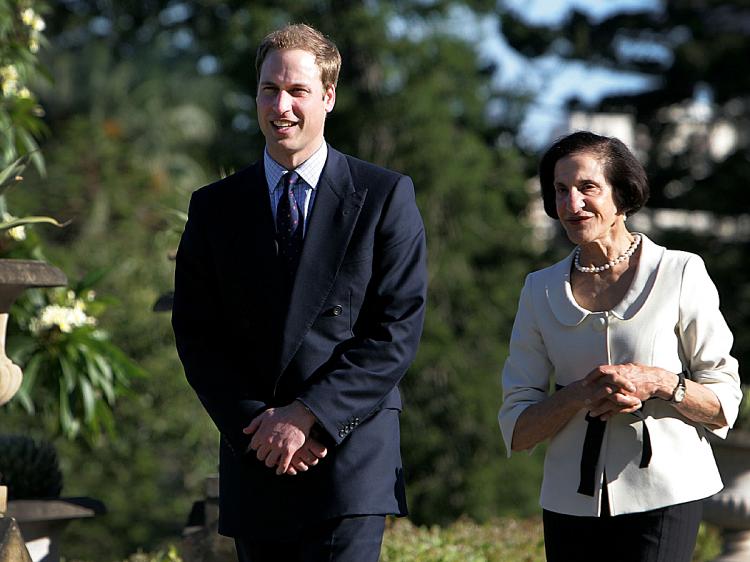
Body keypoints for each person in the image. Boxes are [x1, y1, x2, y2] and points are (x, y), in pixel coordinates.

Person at [171, 23, 427, 562]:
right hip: (256, 454)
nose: (281, 106)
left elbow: (395, 329)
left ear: (328, 97)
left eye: (298, 91)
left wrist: (308, 416)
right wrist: (261, 429)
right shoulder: (214, 206)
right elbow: (198, 334)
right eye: (270, 89)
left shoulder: (384, 195)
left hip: (347, 456)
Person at [498, 131, 741, 562]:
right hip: (569, 501)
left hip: (667, 492)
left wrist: (660, 381)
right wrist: (578, 395)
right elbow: (517, 430)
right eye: (560, 190)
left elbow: (724, 402)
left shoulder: (680, 271)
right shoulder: (538, 290)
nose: (571, 205)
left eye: (587, 188)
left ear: (622, 194)